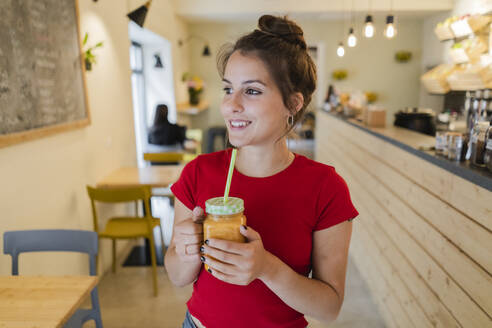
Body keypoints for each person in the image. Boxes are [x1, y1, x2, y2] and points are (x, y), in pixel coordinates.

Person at [165, 15, 358, 328]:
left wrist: (267, 268)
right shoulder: (197, 173)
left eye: (252, 91)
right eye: (228, 89)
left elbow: (329, 307)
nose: (231, 105)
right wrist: (186, 251)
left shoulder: (326, 187)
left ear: (293, 103)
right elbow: (176, 276)